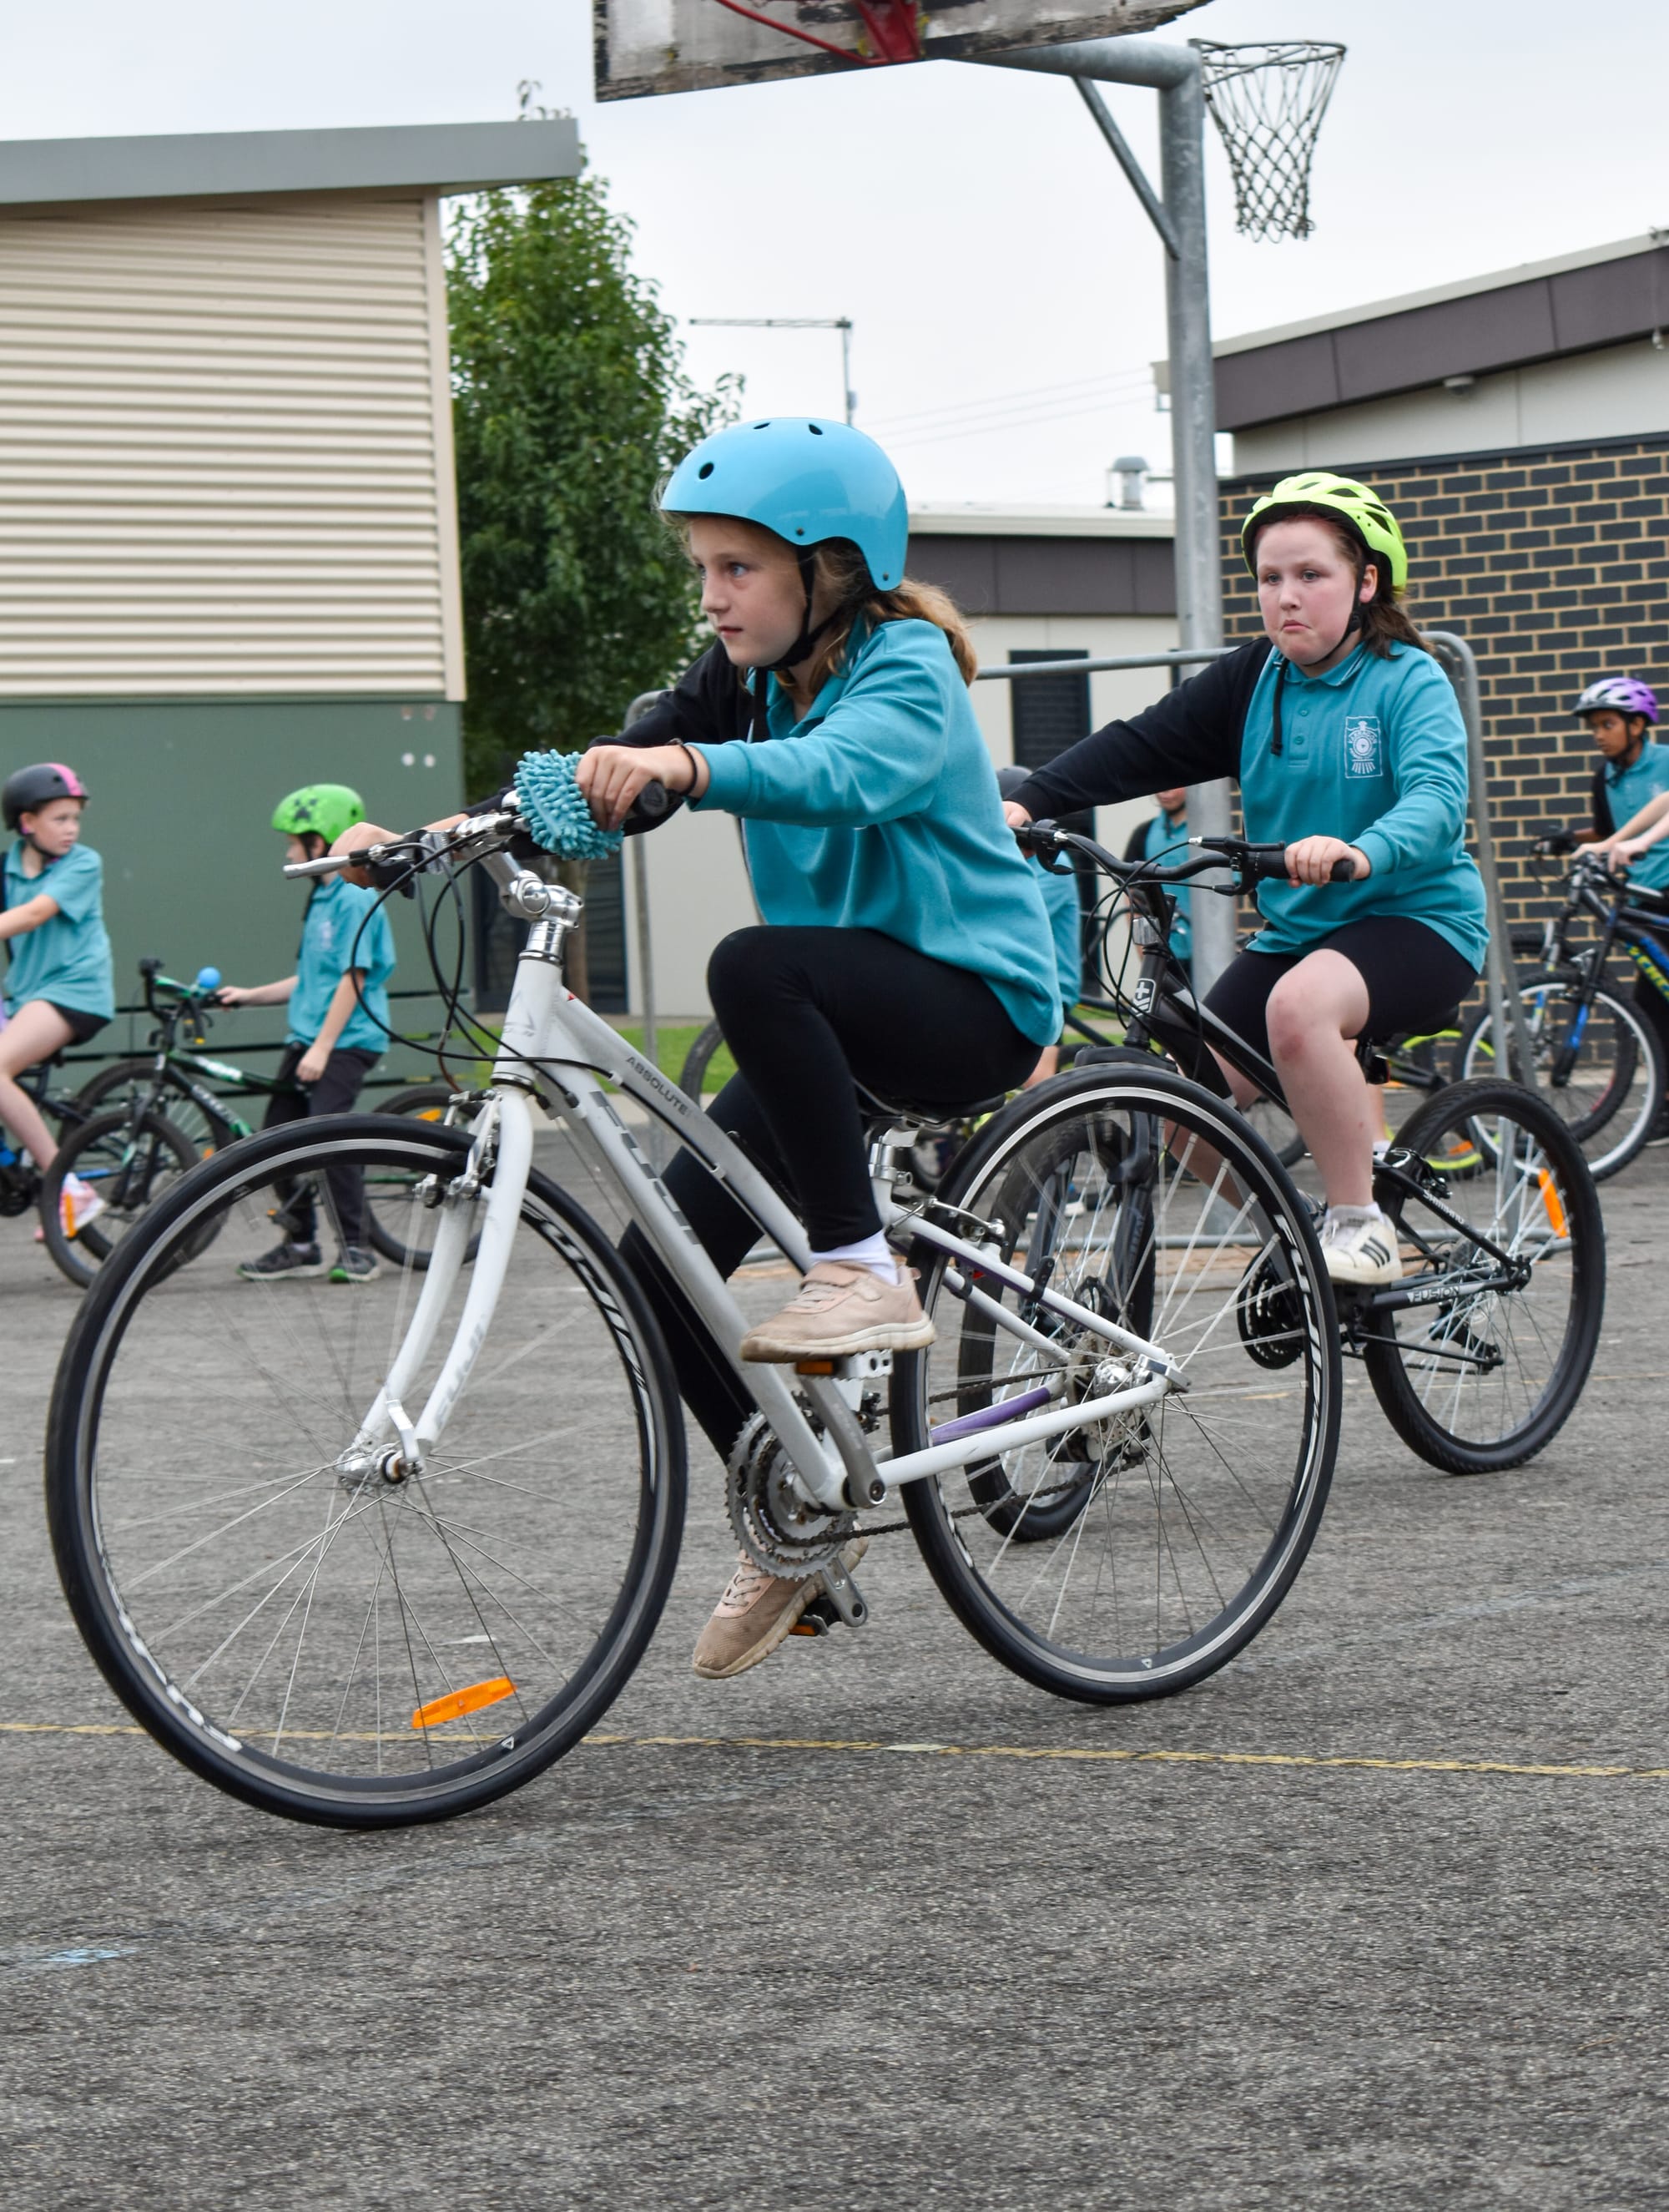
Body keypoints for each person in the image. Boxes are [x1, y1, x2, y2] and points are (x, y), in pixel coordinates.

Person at [340, 417, 1060, 1679]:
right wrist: (442, 831)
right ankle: (796, 1529)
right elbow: (603, 772)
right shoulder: (736, 674)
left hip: (971, 1003)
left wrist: (689, 763)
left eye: (738, 568)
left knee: (748, 963)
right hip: (831, 1025)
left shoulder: (903, 668)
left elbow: (844, 772)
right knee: (654, 1274)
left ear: (828, 568)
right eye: (703, 570)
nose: (713, 596)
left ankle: (859, 1262)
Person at [1001, 470, 1488, 1290]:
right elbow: (1140, 744)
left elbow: (1436, 800)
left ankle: (1358, 1223)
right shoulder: (1252, 679)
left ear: (1365, 582)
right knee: (1177, 1100)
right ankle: (1293, 1243)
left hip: (1416, 920)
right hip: (1304, 934)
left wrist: (1361, 849)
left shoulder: (1406, 677)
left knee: (1297, 1009)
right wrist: (1033, 801)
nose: (1285, 597)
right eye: (1269, 578)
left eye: (1310, 575)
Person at [218, 784, 396, 1284]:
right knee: (276, 1137)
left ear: (323, 841)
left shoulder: (354, 899)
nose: (289, 849)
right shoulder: (321, 897)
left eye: (295, 840)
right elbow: (314, 979)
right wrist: (249, 995)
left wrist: (321, 1047)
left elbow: (352, 978)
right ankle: (300, 1243)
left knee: (326, 1135)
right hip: (311, 1037)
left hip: (348, 1039)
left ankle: (358, 1249)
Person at [0, 762, 113, 1240]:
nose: (71, 830)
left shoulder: (83, 863)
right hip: (26, 996)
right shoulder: (7, 867)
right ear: (27, 823)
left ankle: (66, 1187)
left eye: (75, 819)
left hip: (74, 991)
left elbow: (32, 915)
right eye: (60, 819)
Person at [996, 764, 1083, 1085]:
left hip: (1048, 985)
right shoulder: (1004, 860)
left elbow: (1008, 918)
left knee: (1035, 1084)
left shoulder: (1053, 863)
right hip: (1011, 979)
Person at [1125, 785, 1193, 971]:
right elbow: (1134, 898)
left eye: (1174, 786)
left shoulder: (1209, 833)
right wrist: (1143, 948)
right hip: (1162, 951)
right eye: (1161, 786)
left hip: (1206, 951)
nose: (1164, 793)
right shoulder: (1144, 833)